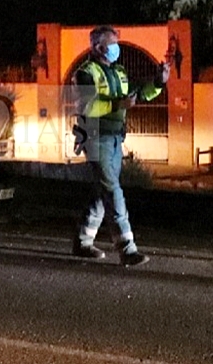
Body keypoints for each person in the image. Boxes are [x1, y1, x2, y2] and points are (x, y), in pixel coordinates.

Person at [72, 25, 168, 266]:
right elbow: (87, 105)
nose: (116, 48)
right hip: (95, 137)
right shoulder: (85, 73)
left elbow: (141, 94)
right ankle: (127, 248)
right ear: (97, 47)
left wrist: (158, 81)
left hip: (115, 137)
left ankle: (83, 242)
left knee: (102, 192)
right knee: (113, 190)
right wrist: (118, 105)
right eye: (111, 43)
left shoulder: (119, 72)